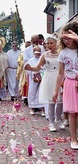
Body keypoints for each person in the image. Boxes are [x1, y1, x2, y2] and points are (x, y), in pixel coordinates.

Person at [25, 35, 65, 132]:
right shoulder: (45, 55)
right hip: (48, 78)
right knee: (51, 101)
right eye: (48, 43)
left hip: (59, 77)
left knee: (60, 102)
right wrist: (30, 68)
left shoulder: (61, 54)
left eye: (51, 43)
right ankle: (51, 122)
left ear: (56, 43)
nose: (49, 45)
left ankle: (58, 119)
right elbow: (38, 67)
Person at [52, 21, 78, 149]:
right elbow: (60, 73)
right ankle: (74, 139)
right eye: (64, 38)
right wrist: (56, 90)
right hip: (70, 83)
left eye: (70, 38)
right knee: (73, 113)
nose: (67, 41)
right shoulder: (63, 53)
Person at [26, 45, 44, 115]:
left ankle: (43, 109)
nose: (38, 53)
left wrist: (40, 73)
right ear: (33, 52)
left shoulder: (42, 60)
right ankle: (31, 108)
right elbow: (27, 70)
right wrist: (33, 73)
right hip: (32, 79)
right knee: (32, 92)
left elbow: (44, 68)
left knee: (41, 93)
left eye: (39, 52)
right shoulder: (30, 61)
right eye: (36, 52)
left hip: (41, 79)